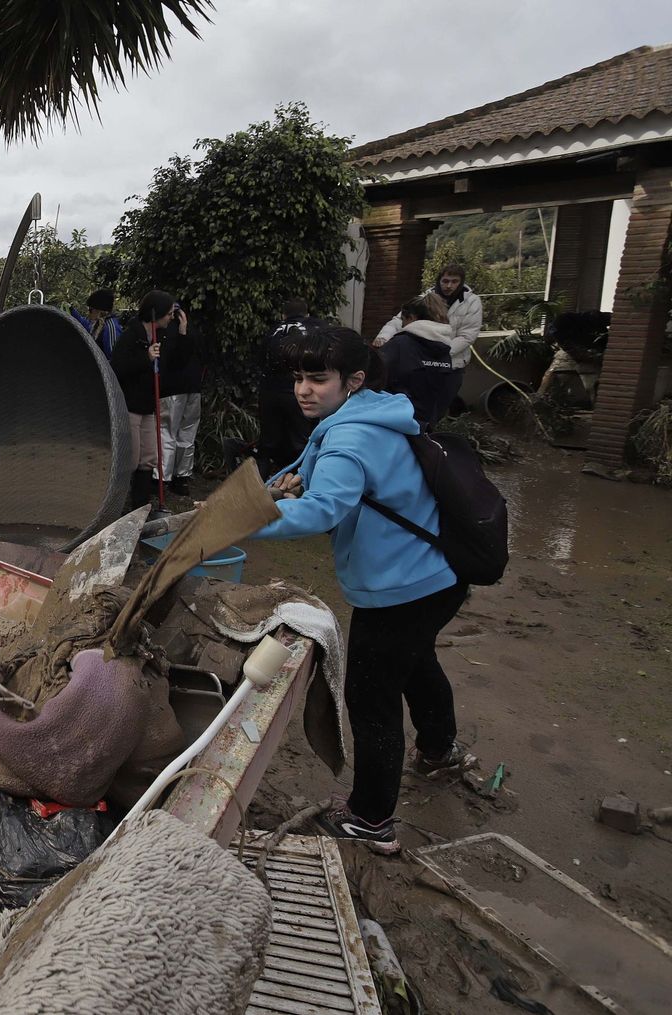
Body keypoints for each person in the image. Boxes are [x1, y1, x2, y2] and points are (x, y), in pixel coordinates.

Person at [252, 326, 475, 854]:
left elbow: (324, 508)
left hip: (402, 588)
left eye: (317, 378)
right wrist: (273, 489)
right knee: (416, 663)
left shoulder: (350, 436)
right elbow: (312, 475)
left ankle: (370, 819)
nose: (304, 389)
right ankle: (440, 752)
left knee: (370, 697)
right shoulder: (372, 410)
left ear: (352, 379)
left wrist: (243, 520)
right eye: (298, 378)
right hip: (439, 576)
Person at [376, 263, 482, 396]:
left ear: (461, 283)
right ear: (439, 280)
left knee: (440, 403)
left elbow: (467, 335)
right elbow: (399, 320)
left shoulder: (471, 302)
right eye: (445, 281)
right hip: (420, 364)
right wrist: (384, 336)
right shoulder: (424, 299)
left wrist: (440, 352)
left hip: (452, 364)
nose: (449, 286)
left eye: (454, 282)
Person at [109, 291, 171, 507]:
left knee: (149, 457)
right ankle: (116, 505)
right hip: (130, 406)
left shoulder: (158, 336)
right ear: (159, 312)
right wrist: (145, 358)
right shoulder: (130, 336)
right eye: (169, 313)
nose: (171, 317)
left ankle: (141, 505)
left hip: (148, 405)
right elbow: (118, 368)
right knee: (131, 459)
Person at [256, 299, 324, 477]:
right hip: (297, 392)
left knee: (268, 442)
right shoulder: (315, 328)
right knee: (300, 441)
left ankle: (259, 483)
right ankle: (299, 483)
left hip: (269, 391)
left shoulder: (273, 331)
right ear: (307, 314)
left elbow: (260, 359)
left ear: (283, 315)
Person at [378, 294, 458, 428]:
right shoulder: (445, 350)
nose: (402, 325)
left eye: (403, 320)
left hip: (395, 422)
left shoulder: (399, 345)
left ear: (412, 318)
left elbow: (374, 378)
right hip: (425, 426)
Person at [156, 298, 206, 497]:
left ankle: (163, 477)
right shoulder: (194, 330)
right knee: (187, 432)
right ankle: (182, 477)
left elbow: (169, 360)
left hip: (172, 388)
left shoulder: (164, 332)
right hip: (193, 386)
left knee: (167, 431)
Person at [70, 288, 121, 357]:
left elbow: (113, 357)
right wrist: (71, 310)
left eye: (90, 310)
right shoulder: (98, 323)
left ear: (100, 311)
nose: (89, 313)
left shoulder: (110, 327)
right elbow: (85, 324)